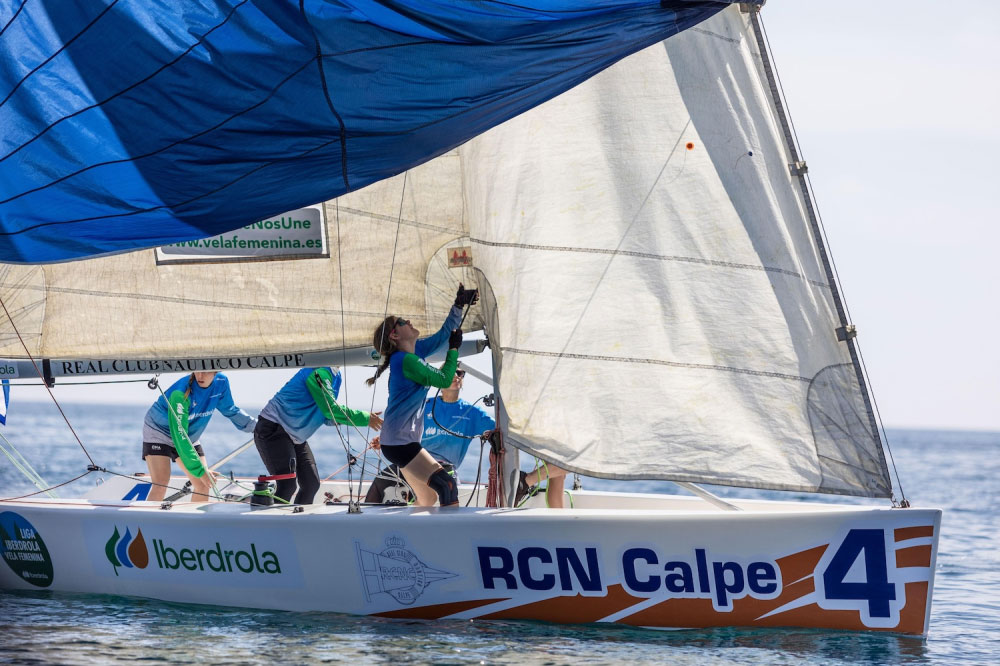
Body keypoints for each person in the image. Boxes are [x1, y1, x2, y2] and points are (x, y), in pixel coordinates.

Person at [366, 283, 477, 507]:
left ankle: (413, 539)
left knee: (428, 498)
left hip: (397, 442)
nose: (408, 321)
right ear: (395, 335)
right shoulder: (407, 361)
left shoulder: (412, 353)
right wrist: (454, 350)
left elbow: (442, 337)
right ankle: (450, 541)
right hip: (400, 444)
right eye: (402, 322)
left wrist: (458, 305)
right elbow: (445, 380)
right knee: (447, 486)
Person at [364, 365, 494, 503]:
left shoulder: (473, 413)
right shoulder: (424, 405)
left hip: (445, 466)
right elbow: (402, 429)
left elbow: (501, 430)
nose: (456, 375)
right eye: (450, 372)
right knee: (380, 483)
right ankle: (362, 523)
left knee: (445, 488)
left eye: (460, 373)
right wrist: (384, 440)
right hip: (414, 461)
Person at [255, 367, 383, 504]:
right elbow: (330, 410)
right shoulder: (319, 372)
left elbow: (327, 416)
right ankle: (275, 524)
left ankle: (295, 522)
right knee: (287, 485)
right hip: (274, 428)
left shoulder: (335, 375)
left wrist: (358, 419)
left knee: (311, 485)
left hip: (295, 436)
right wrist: (365, 418)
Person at [142, 371, 255, 503]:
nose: (200, 376)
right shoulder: (180, 394)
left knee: (203, 484)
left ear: (215, 371)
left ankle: (195, 523)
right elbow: (180, 437)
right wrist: (201, 471)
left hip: (188, 434)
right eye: (198, 371)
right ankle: (147, 522)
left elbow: (230, 409)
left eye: (206, 372)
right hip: (159, 431)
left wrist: (259, 427)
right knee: (161, 483)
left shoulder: (221, 382)